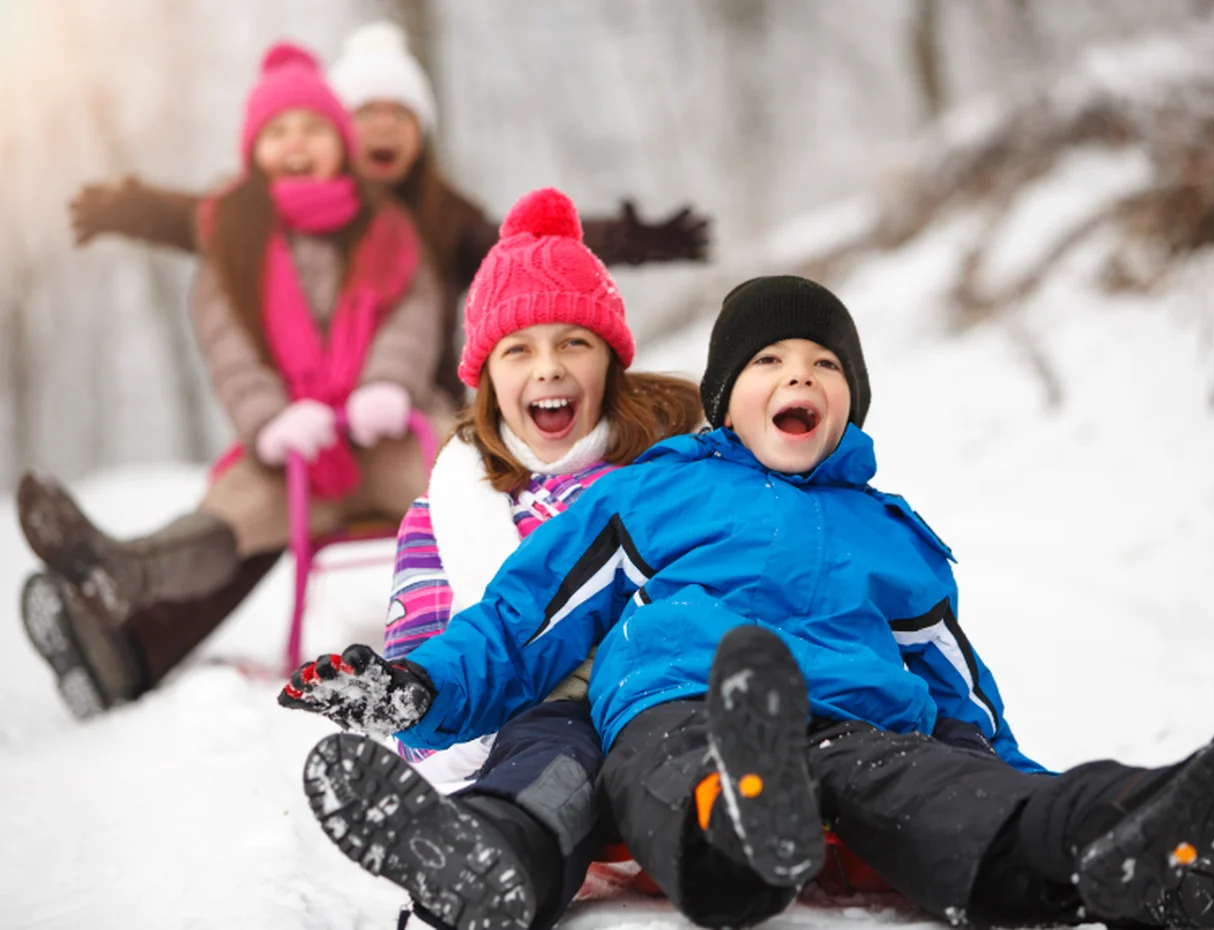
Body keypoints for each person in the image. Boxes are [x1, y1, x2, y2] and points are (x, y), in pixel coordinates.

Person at [280, 274, 1214, 930]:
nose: (796, 374)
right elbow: (521, 619)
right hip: (685, 702)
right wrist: (417, 687)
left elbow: (956, 687)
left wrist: (991, 774)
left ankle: (1134, 829)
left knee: (949, 789)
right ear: (723, 395)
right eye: (767, 361)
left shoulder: (888, 533)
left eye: (822, 365)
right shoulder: (658, 490)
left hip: (855, 721)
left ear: (848, 401)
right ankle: (731, 825)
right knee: (663, 761)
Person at [283, 186, 702, 930]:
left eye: (573, 341)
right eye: (519, 349)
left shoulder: (665, 476)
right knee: (549, 769)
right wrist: (400, 691)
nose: (548, 368)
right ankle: (479, 864)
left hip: (660, 700)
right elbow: (428, 643)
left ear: (610, 360)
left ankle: (744, 837)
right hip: (534, 718)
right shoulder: (446, 513)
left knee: (657, 751)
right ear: (487, 379)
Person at [20, 43, 442, 719]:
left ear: (340, 142)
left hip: (386, 426)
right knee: (229, 516)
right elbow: (229, 341)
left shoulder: (385, 227)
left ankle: (536, 601)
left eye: (312, 128)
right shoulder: (234, 235)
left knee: (464, 480)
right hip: (295, 444)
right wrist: (269, 417)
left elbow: (413, 309)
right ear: (254, 150)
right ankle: (122, 573)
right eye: (278, 132)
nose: (296, 143)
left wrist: (387, 382)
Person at [65, 20, 711, 407]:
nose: (381, 126)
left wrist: (626, 238)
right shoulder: (300, 214)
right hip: (311, 407)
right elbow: (209, 221)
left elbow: (524, 242)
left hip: (417, 400)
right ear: (336, 132)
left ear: (419, 134)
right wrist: (134, 207)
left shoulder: (442, 217)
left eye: (398, 114)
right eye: (364, 112)